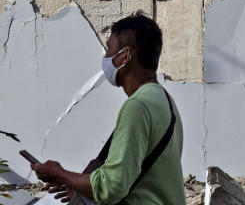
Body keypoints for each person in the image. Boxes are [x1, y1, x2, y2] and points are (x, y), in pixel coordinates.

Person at [31, 13, 185, 205]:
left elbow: (112, 187)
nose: (106, 57)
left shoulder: (137, 106)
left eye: (109, 48)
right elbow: (141, 178)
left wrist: (60, 173)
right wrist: (81, 187)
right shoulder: (165, 101)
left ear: (124, 56)